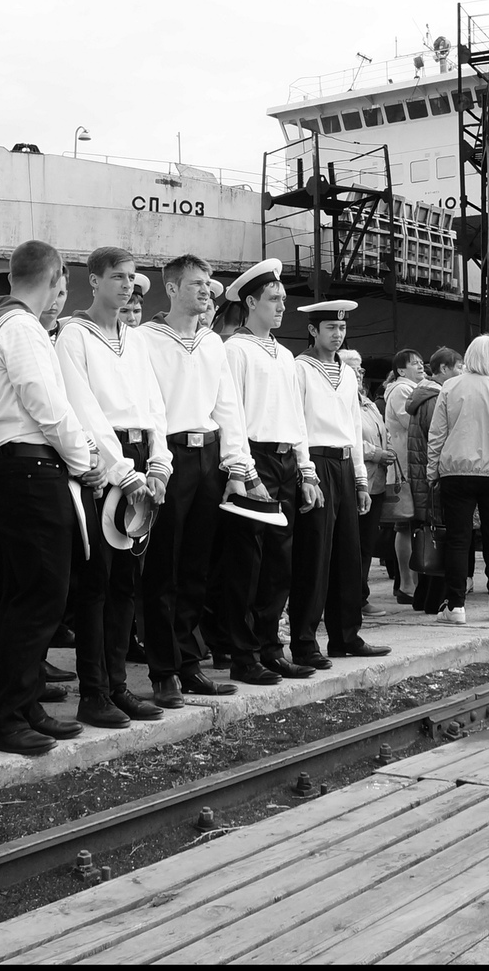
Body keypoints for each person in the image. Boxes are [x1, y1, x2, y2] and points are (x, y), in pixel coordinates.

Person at [0, 241, 100, 755]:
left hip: (12, 468)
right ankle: (4, 718)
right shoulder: (23, 328)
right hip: (31, 468)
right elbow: (46, 403)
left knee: (23, 594)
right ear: (54, 276)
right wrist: (83, 459)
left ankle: (21, 706)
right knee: (42, 595)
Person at [56, 245, 171, 729]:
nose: (127, 286)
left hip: (142, 458)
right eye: (118, 277)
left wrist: (160, 464)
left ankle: (118, 684)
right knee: (97, 583)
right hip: (105, 465)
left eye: (132, 278)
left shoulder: (136, 338)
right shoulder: (73, 335)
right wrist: (125, 473)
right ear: (95, 280)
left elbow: (154, 404)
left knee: (128, 582)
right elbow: (83, 408)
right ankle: (93, 691)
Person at [135, 254, 250, 706]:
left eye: (208, 283)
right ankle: (163, 670)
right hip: (169, 452)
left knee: (197, 567)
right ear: (172, 288)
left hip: (208, 453)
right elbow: (148, 406)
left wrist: (237, 463)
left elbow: (228, 406)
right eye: (197, 283)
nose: (207, 290)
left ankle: (189, 663)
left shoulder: (211, 342)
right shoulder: (145, 338)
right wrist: (157, 463)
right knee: (162, 566)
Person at [214, 260, 315, 683]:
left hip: (284, 458)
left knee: (279, 562)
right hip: (252, 457)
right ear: (251, 301)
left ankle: (270, 647)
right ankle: (242, 652)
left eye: (284, 301)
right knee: (245, 564)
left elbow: (297, 414)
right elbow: (230, 412)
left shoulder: (286, 354)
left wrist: (306, 468)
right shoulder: (234, 349)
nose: (281, 308)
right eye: (273, 300)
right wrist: (244, 468)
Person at [293, 302, 384, 659]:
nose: (337, 334)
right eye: (330, 328)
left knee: (348, 555)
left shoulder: (346, 373)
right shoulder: (300, 368)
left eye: (341, 329)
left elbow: (352, 428)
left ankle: (346, 636)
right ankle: (303, 641)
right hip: (317, 460)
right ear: (313, 330)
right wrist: (306, 471)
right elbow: (298, 422)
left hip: (345, 463)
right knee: (315, 556)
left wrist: (361, 479)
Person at [426, 334, 489, 623]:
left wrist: (432, 470)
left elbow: (437, 434)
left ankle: (456, 605)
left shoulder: (450, 387)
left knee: (458, 539)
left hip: (456, 470)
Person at [404, 348, 458, 612]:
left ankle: (423, 597)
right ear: (445, 370)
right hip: (432, 476)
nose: (461, 374)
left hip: (420, 474)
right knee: (439, 535)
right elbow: (441, 439)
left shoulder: (422, 396)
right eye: (458, 368)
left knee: (429, 533)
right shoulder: (437, 399)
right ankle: (434, 600)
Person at [380, 349, 425, 602]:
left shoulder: (409, 388)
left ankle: (410, 582)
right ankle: (407, 584)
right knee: (405, 525)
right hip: (405, 468)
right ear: (400, 370)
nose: (420, 367)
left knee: (409, 526)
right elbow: (414, 423)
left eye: (421, 363)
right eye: (414, 364)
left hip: (410, 466)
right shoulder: (402, 390)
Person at [353, 361, 395, 618]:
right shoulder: (345, 403)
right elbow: (350, 439)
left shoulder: (367, 403)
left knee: (366, 543)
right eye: (353, 367)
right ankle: (351, 597)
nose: (359, 373)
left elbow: (383, 431)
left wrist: (387, 448)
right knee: (353, 544)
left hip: (375, 482)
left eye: (360, 369)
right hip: (356, 480)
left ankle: (360, 595)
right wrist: (377, 453)